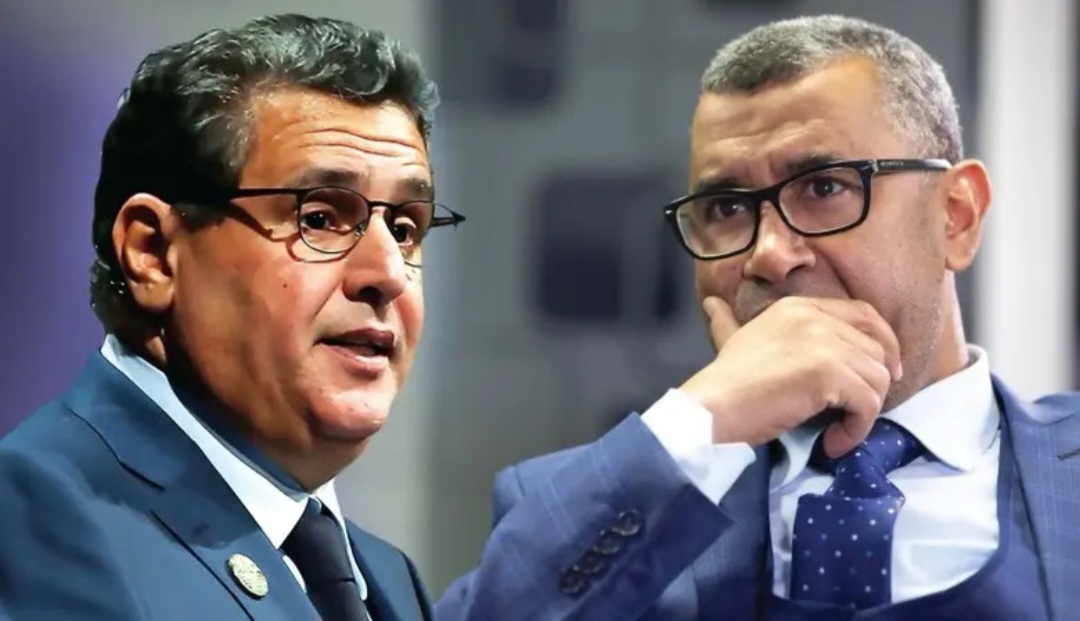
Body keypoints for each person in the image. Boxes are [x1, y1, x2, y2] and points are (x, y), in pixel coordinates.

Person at [435, 14, 1080, 621]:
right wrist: (703, 420)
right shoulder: (586, 505)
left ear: (956, 216)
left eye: (824, 187)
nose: (769, 253)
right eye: (726, 209)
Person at [0, 14, 463, 621]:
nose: (388, 273)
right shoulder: (33, 516)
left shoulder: (386, 577)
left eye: (404, 229)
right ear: (153, 253)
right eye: (319, 218)